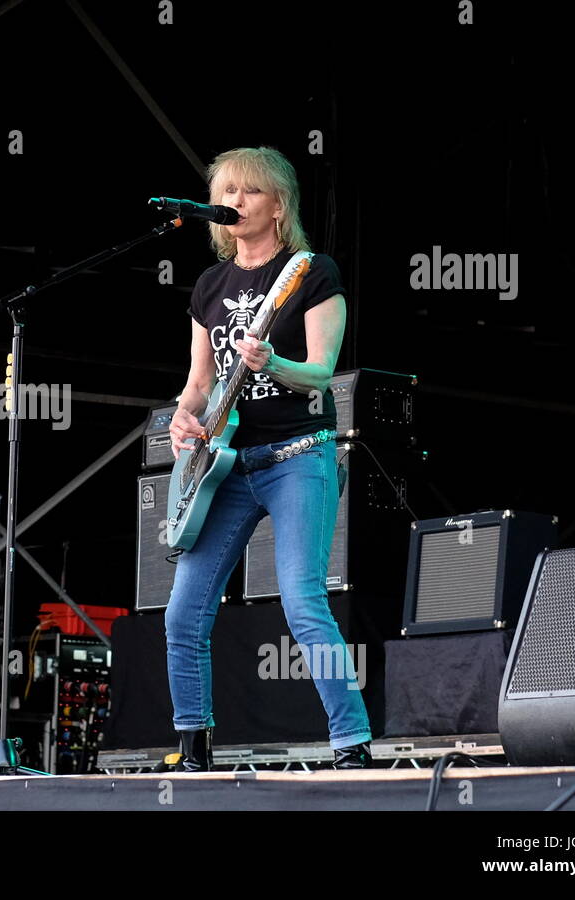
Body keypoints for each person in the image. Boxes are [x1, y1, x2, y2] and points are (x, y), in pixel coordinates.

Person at [166, 147, 372, 771]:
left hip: (297, 457)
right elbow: (200, 381)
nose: (234, 200)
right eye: (225, 190)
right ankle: (194, 746)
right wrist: (183, 416)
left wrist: (272, 364)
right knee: (182, 613)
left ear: (278, 205)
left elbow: (320, 373)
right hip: (225, 465)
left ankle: (351, 740)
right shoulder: (209, 285)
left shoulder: (309, 272)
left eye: (248, 190)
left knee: (303, 601)